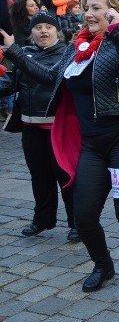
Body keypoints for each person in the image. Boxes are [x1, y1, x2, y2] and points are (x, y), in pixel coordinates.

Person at [1, 0, 119, 299]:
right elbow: (51, 77)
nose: (88, 13)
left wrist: (118, 31)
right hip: (92, 144)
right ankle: (103, 265)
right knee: (84, 215)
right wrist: (13, 51)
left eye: (96, 7)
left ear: (114, 10)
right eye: (86, 7)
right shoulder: (77, 46)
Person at [0, 12, 77, 241]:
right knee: (39, 177)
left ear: (57, 31)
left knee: (66, 178)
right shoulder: (26, 53)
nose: (43, 31)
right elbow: (12, 84)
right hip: (30, 126)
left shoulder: (66, 53)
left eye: (48, 27)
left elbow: (49, 78)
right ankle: (43, 220)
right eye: (38, 27)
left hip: (58, 128)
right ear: (31, 31)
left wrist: (13, 52)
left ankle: (77, 223)